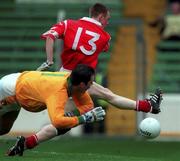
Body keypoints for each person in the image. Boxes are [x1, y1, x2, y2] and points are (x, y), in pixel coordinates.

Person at [7, 3, 163, 156]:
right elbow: (100, 46)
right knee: (70, 118)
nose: (107, 23)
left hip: (63, 76)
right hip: (77, 79)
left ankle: (27, 143)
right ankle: (148, 106)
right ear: (100, 16)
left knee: (67, 121)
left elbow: (49, 36)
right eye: (107, 19)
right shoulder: (105, 37)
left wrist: (49, 60)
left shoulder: (69, 24)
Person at [0, 64, 106, 155]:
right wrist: (84, 118)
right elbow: (58, 121)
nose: (92, 86)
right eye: (91, 83)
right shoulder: (58, 91)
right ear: (82, 84)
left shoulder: (73, 81)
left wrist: (70, 116)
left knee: (4, 129)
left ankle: (25, 144)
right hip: (10, 89)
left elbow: (87, 105)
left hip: (20, 84)